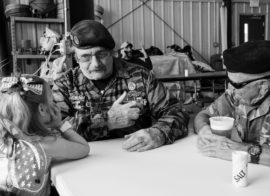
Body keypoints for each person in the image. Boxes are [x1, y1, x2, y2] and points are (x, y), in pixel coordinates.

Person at [52, 20, 189, 152]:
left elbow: (176, 111)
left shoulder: (140, 76)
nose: (95, 64)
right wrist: (107, 121)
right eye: (85, 57)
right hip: (82, 160)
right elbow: (54, 130)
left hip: (136, 158)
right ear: (76, 58)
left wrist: (158, 133)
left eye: (101, 54)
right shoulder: (65, 84)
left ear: (113, 53)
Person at [194, 40, 270, 170]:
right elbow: (204, 115)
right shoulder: (238, 92)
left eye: (237, 85)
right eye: (228, 80)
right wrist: (204, 130)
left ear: (263, 86)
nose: (230, 89)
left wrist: (243, 150)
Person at [0, 75, 90, 196]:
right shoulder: (46, 144)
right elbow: (83, 148)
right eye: (52, 100)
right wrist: (60, 124)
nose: (54, 103)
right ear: (42, 109)